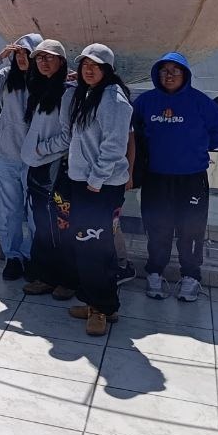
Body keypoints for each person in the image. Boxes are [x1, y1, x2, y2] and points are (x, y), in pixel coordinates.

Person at [133, 52, 218, 302]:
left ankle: (190, 277)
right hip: (156, 178)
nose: (168, 76)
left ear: (185, 75)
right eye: (164, 71)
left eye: (174, 71)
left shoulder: (200, 102)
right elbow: (133, 131)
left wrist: (200, 146)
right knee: (157, 227)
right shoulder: (146, 102)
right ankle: (155, 273)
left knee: (191, 229)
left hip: (191, 178)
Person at [62, 44, 134, 336]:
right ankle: (102, 304)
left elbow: (115, 146)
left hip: (99, 187)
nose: (88, 69)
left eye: (96, 65)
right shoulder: (90, 94)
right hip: (86, 182)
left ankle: (101, 310)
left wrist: (95, 179)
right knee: (89, 246)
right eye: (84, 65)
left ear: (108, 70)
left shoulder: (114, 99)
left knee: (94, 248)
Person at [0, 33, 42, 280]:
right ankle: (13, 256)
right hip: (7, 156)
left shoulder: (47, 81)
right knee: (9, 211)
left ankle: (32, 256)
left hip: (37, 158)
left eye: (26, 53)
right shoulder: (6, 78)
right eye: (18, 53)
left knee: (35, 212)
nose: (21, 58)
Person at [20, 39, 78, 299]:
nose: (43, 62)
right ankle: (46, 276)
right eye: (39, 58)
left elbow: (69, 136)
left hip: (56, 167)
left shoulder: (67, 93)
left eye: (49, 57)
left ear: (61, 62)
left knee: (60, 225)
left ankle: (67, 280)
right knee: (43, 224)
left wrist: (42, 149)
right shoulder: (40, 88)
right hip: (37, 167)